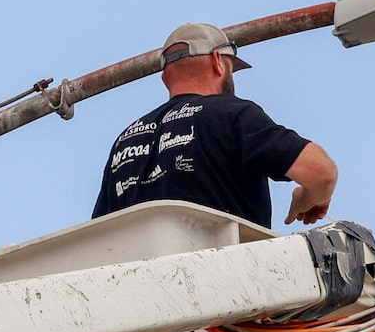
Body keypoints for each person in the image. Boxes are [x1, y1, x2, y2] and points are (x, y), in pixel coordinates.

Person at [93, 22, 339, 227]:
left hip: (139, 282)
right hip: (225, 279)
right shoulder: (230, 114)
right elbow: (321, 173)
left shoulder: (125, 141)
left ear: (165, 79)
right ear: (218, 62)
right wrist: (307, 196)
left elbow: (98, 236)